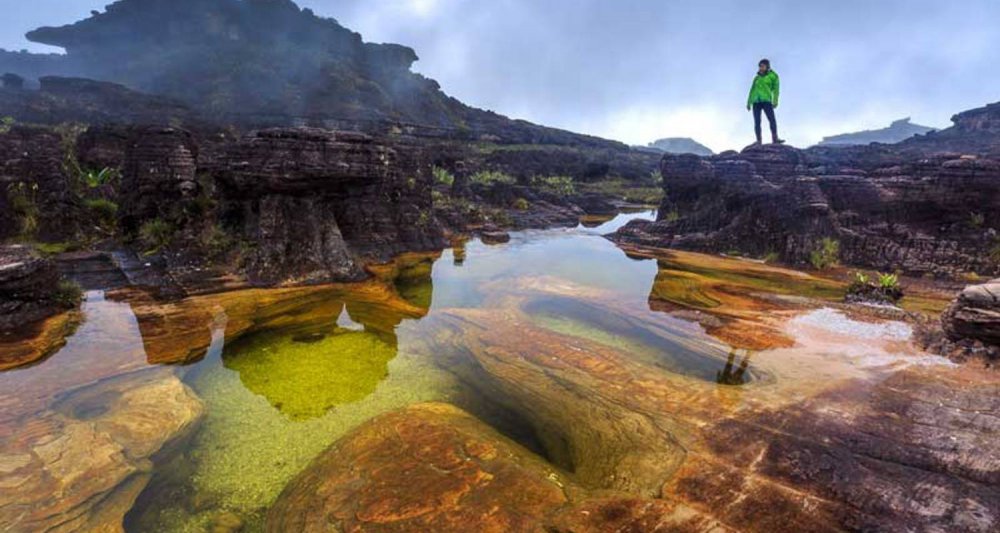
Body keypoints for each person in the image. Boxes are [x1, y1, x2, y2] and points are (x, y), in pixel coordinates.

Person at [746, 58, 784, 145]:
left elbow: (776, 90)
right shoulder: (756, 78)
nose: (760, 68)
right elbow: (752, 90)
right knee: (757, 122)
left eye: (762, 66)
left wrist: (775, 101)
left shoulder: (773, 76)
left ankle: (775, 138)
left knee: (772, 120)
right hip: (756, 101)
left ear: (767, 66)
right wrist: (748, 102)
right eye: (759, 66)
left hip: (766, 100)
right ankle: (759, 140)